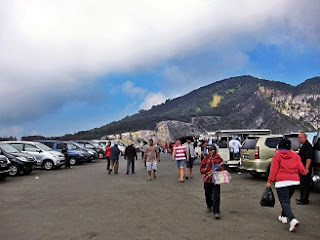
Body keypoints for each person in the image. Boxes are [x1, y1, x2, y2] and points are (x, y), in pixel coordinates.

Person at [267, 138, 306, 232]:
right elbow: (301, 169)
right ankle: (283, 216)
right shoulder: (295, 155)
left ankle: (292, 219)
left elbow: (273, 170)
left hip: (282, 182)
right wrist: (304, 172)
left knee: (284, 201)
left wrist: (269, 181)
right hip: (294, 182)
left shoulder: (277, 156)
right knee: (287, 200)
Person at [200, 145, 226, 219]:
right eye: (209, 150)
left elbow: (223, 166)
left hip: (216, 180)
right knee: (207, 195)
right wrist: (206, 171)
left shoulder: (218, 158)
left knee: (216, 196)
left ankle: (216, 211)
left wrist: (218, 168)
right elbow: (201, 169)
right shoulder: (206, 159)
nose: (210, 152)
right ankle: (209, 205)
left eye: (211, 150)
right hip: (207, 179)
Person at [297, 132, 313, 205]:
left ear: (304, 138)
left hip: (305, 168)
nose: (299, 139)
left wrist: (306, 168)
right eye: (298, 138)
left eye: (300, 138)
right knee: (302, 183)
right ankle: (302, 198)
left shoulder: (307, 146)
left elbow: (308, 158)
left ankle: (305, 199)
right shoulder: (304, 145)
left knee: (305, 183)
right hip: (301, 167)